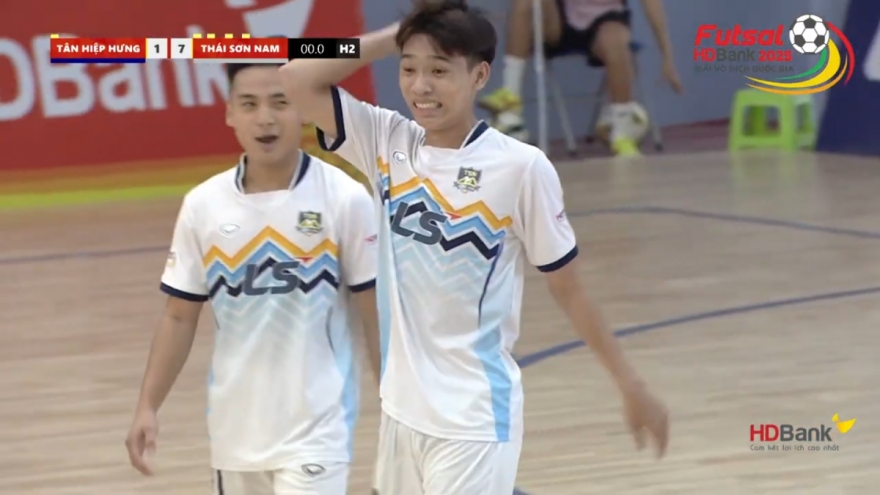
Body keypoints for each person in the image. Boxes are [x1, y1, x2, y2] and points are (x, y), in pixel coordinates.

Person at [281, 1, 669, 493]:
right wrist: (397, 36)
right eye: (409, 69)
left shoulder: (521, 167)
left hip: (474, 418)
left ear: (480, 75)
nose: (421, 87)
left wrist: (630, 383)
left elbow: (569, 290)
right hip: (401, 412)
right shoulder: (385, 140)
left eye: (439, 71)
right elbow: (294, 77)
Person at [124, 62, 381, 495]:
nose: (265, 118)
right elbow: (179, 317)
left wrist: (396, 403)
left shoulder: (345, 198)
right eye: (249, 104)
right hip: (234, 436)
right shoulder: (203, 205)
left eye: (280, 102)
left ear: (303, 108)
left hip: (319, 432)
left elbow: (375, 313)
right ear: (229, 113)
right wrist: (147, 405)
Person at [478, 0, 683, 156]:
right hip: (562, 21)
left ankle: (623, 130)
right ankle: (510, 97)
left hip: (606, 19)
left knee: (616, 42)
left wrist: (668, 58)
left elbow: (652, 5)